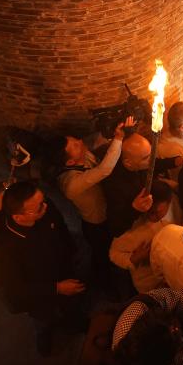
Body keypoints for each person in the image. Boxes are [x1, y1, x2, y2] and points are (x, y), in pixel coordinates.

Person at [0, 180, 86, 356]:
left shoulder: (45, 209)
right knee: (43, 319)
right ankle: (44, 335)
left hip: (65, 271)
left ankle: (74, 323)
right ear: (18, 217)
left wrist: (72, 253)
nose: (45, 206)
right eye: (38, 207)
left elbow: (61, 229)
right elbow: (16, 289)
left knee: (72, 306)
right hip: (40, 295)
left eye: (43, 200)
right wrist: (56, 288)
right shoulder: (6, 247)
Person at [49, 121, 126, 286]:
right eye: (75, 146)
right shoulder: (71, 184)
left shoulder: (83, 155)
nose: (80, 141)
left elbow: (97, 141)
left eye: (76, 140)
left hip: (105, 211)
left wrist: (113, 131)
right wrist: (118, 139)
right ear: (70, 163)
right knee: (102, 255)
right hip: (95, 224)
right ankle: (105, 284)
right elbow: (103, 170)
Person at [111, 287, 183, 365]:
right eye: (174, 335)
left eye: (172, 325)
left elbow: (177, 297)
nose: (176, 328)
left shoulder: (138, 309)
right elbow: (179, 362)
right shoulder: (153, 360)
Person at [102, 132, 183, 237]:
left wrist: (175, 161)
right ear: (128, 162)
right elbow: (116, 229)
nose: (152, 158)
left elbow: (154, 164)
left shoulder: (139, 163)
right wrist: (134, 209)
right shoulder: (116, 186)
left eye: (151, 153)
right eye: (146, 157)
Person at [109, 181, 176, 293]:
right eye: (149, 211)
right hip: (148, 285)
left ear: (169, 203)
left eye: (158, 212)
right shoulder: (132, 227)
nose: (153, 216)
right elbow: (113, 254)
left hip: (172, 278)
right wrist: (135, 258)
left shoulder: (175, 207)